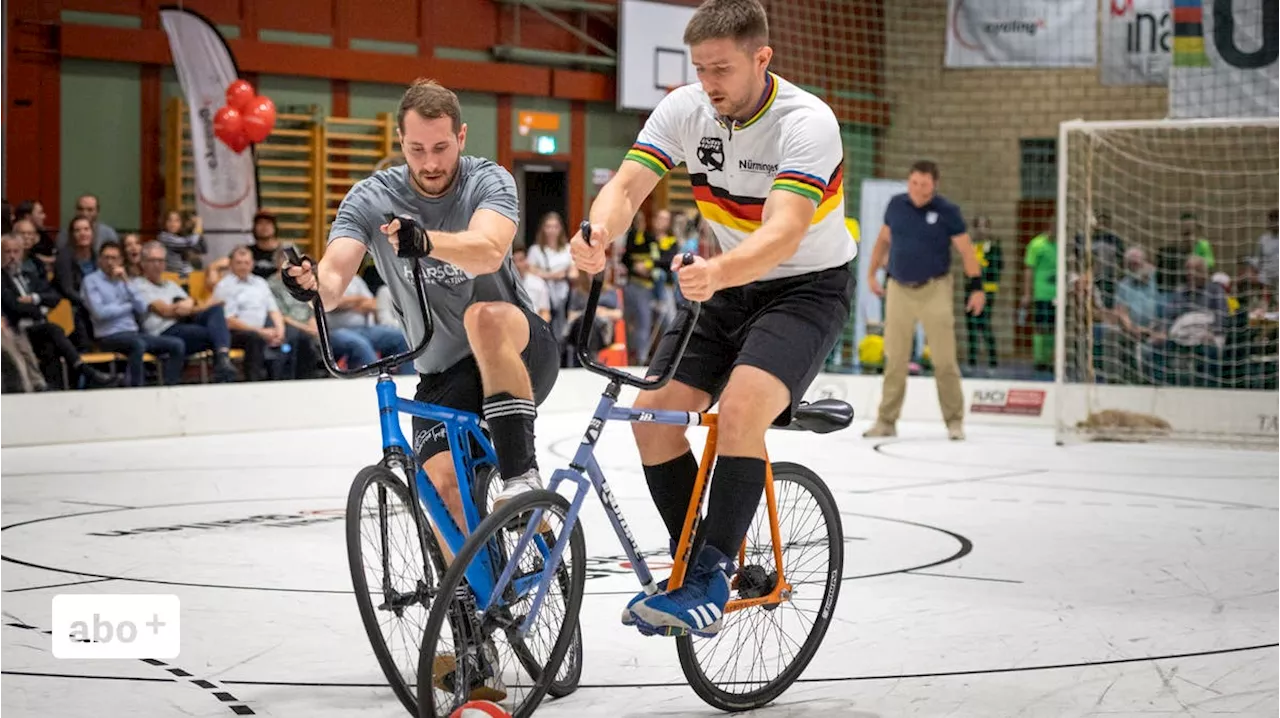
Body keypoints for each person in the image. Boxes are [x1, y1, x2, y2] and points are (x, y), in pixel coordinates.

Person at [569, 0, 856, 638]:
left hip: (804, 288)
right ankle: (696, 560)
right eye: (700, 69)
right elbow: (626, 187)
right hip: (725, 285)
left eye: (721, 69)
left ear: (762, 58)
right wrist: (598, 230)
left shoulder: (808, 122)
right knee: (653, 419)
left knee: (742, 409)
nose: (709, 84)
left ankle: (708, 577)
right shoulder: (686, 108)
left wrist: (721, 272)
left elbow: (783, 231)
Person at [281, 78, 559, 532]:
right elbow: (333, 280)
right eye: (416, 149)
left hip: (517, 351)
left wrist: (428, 241)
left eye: (441, 147)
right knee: (442, 489)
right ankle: (474, 600)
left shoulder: (488, 180)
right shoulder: (371, 198)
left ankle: (522, 477)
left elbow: (489, 248)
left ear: (462, 138)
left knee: (481, 315)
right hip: (443, 371)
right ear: (400, 142)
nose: (430, 163)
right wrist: (311, 285)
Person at [861, 161, 985, 440]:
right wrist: (871, 274)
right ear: (908, 182)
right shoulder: (896, 205)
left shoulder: (948, 212)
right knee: (894, 359)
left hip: (935, 288)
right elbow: (883, 241)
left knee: (944, 360)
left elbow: (966, 252)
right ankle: (886, 421)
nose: (918, 189)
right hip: (898, 289)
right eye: (914, 183)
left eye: (924, 184)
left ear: (935, 184)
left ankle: (954, 421)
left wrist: (977, 288)